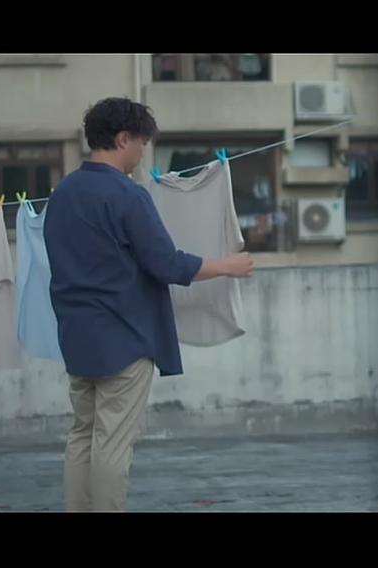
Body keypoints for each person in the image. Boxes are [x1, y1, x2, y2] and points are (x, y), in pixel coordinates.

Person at [44, 97, 254, 512]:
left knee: (82, 435)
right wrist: (226, 265)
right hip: (124, 337)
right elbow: (167, 264)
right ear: (124, 138)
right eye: (142, 142)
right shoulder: (128, 195)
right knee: (112, 443)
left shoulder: (63, 193)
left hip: (76, 336)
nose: (143, 152)